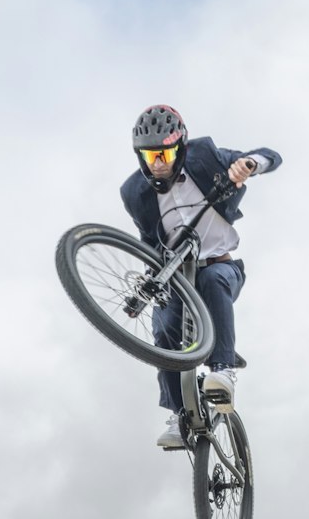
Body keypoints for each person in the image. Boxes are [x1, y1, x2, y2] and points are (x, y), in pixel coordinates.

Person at [119, 104, 282, 448]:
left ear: (179, 147)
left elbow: (269, 156)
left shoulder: (205, 157)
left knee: (212, 281)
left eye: (164, 153)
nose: (159, 163)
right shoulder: (135, 193)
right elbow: (149, 242)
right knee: (163, 325)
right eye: (150, 157)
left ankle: (223, 372)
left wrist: (248, 165)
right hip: (177, 278)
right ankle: (180, 416)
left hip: (220, 265)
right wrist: (149, 284)